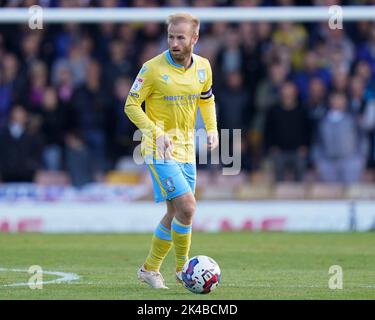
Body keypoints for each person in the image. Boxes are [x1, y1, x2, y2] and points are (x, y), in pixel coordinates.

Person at [124, 13, 218, 289]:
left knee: (178, 212)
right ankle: (179, 268)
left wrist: (211, 129)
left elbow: (207, 99)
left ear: (194, 38)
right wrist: (156, 133)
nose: (174, 43)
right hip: (158, 149)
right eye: (171, 37)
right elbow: (131, 105)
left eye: (180, 37)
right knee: (188, 206)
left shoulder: (203, 67)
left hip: (187, 149)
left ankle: (155, 269)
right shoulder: (152, 68)